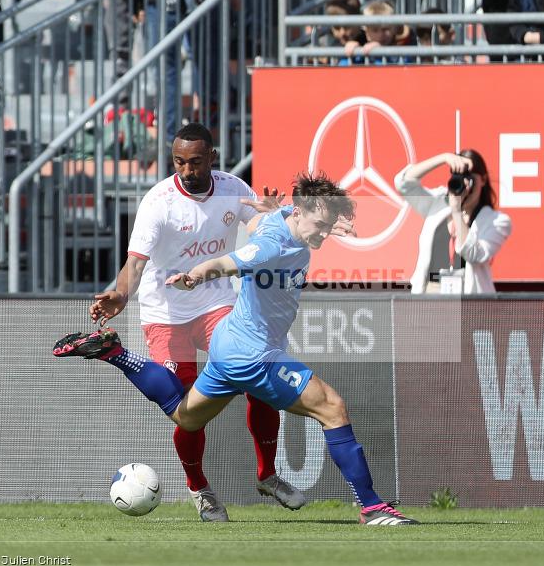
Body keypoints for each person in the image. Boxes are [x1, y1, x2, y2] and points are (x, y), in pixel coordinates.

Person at [55, 173, 418, 526]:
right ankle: (372, 506)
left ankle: (115, 353)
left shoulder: (283, 220)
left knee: (186, 417)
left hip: (229, 345)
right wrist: (196, 276)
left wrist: (304, 219)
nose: (323, 232)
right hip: (254, 356)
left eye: (328, 225)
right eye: (320, 224)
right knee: (333, 409)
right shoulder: (272, 244)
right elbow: (226, 263)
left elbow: (268, 222)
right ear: (301, 211)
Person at [75, 122, 305, 522]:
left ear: (212, 158)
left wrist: (270, 219)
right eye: (179, 162)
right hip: (166, 315)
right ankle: (199, 488)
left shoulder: (234, 188)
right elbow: (136, 263)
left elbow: (257, 235)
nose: (186, 170)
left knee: (260, 381)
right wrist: (119, 295)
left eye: (195, 162)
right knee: (187, 410)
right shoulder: (158, 202)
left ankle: (267, 474)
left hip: (215, 304)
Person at [395, 150, 512, 295]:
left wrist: (456, 210)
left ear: (483, 179)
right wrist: (443, 157)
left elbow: (475, 255)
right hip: (429, 297)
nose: (464, 184)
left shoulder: (497, 221)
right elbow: (403, 184)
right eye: (459, 176)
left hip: (469, 301)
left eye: (469, 178)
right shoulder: (438, 202)